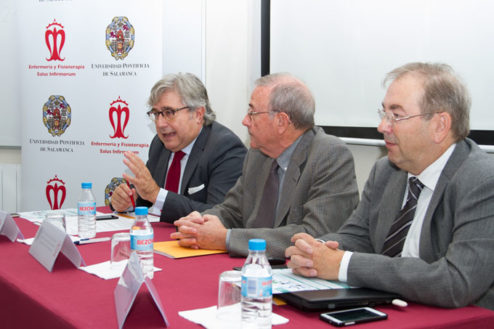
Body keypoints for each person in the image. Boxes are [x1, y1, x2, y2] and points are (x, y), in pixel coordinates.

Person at [285, 62, 494, 310]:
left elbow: (456, 282)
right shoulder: (386, 170)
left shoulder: (483, 181)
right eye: (384, 113)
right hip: (394, 306)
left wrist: (342, 265)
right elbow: (357, 236)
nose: (382, 127)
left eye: (397, 115)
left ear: (440, 125)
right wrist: (315, 252)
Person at [172, 73, 359, 258]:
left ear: (281, 122)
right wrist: (199, 222)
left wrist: (226, 238)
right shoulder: (258, 154)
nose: (245, 121)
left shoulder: (330, 156)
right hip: (254, 268)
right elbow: (233, 209)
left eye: (252, 113)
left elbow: (314, 235)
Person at [110, 73, 247, 222]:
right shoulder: (159, 144)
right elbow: (147, 199)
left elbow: (220, 216)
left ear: (198, 114)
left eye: (169, 113)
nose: (161, 124)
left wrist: (155, 194)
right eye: (156, 114)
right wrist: (128, 200)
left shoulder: (225, 148)